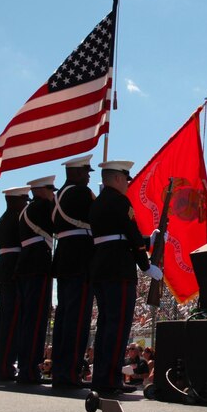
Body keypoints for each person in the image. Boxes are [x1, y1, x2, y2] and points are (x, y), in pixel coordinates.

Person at [88, 161, 161, 395]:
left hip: (101, 266)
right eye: (126, 181)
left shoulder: (98, 203)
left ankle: (102, 376)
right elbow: (129, 234)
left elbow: (118, 235)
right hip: (119, 268)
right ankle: (111, 379)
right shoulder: (120, 201)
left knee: (106, 326)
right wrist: (146, 265)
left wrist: (149, 240)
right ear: (118, 179)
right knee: (118, 327)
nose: (128, 186)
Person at [50, 155, 97, 389]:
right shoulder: (79, 193)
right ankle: (70, 371)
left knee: (65, 318)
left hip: (65, 257)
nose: (88, 176)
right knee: (77, 319)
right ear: (76, 173)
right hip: (81, 257)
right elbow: (97, 218)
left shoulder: (59, 195)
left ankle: (61, 369)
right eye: (86, 172)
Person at [13, 176, 56, 385]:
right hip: (38, 265)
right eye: (50, 190)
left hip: (27, 264)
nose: (53, 193)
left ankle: (26, 367)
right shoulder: (43, 207)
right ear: (41, 190)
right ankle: (30, 369)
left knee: (29, 320)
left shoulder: (27, 210)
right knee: (36, 319)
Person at [0, 185, 30, 382]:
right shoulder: (16, 218)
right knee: (11, 322)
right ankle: (4, 367)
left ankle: (1, 365)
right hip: (12, 268)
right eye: (24, 200)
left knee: (6, 322)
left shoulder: (3, 220)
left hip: (4, 268)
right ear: (15, 201)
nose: (26, 204)